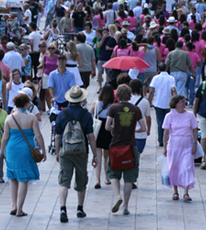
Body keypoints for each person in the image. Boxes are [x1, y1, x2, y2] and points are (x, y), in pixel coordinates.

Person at [0, 93, 46, 217]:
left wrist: (1, 150)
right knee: (23, 179)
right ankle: (20, 209)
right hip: (26, 149)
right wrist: (43, 150)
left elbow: (5, 137)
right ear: (26, 103)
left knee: (12, 177)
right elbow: (38, 135)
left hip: (12, 149)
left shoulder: (9, 118)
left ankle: (13, 205)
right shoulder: (31, 117)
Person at [54, 86, 98, 223]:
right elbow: (90, 136)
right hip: (81, 152)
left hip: (65, 151)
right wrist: (95, 154)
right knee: (81, 179)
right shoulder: (86, 115)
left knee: (64, 181)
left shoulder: (62, 114)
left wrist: (57, 152)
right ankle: (79, 209)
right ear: (81, 99)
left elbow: (57, 136)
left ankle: (63, 209)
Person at [105, 85, 146, 215]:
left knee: (112, 173)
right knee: (129, 177)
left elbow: (107, 126)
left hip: (116, 145)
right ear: (129, 95)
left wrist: (114, 129)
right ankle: (126, 207)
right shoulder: (136, 109)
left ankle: (117, 196)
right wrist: (134, 130)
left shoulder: (113, 108)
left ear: (117, 95)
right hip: (131, 146)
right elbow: (143, 128)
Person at [162, 95, 198, 202]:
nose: (183, 103)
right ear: (175, 104)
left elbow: (195, 129)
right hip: (174, 144)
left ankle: (186, 192)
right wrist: (164, 147)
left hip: (187, 143)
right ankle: (175, 191)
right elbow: (166, 132)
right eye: (181, 102)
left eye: (184, 101)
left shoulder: (190, 115)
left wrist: (195, 143)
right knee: (173, 167)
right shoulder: (169, 115)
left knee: (186, 167)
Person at [89, 84, 114, 188]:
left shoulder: (96, 103)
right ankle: (107, 178)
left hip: (98, 131)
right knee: (107, 156)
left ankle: (97, 179)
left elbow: (90, 115)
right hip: (108, 130)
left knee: (97, 156)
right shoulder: (112, 106)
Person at [149, 62, 177, 147]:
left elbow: (151, 91)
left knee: (160, 121)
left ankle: (161, 140)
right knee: (168, 122)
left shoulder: (155, 78)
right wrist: (176, 100)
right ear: (166, 68)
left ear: (158, 69)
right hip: (167, 103)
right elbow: (173, 90)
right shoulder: (171, 78)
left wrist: (149, 101)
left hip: (158, 103)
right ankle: (167, 139)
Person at [129, 79, 152, 156]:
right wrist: (148, 129)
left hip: (127, 132)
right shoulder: (145, 102)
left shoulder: (126, 100)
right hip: (140, 133)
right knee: (137, 156)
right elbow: (148, 117)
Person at [41, 42, 59, 111]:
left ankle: (55, 106)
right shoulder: (45, 57)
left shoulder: (57, 57)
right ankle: (50, 108)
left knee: (54, 92)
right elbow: (43, 67)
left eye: (52, 48)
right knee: (47, 93)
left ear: (55, 49)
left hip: (54, 76)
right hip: (46, 75)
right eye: (49, 48)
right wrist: (42, 77)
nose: (51, 50)